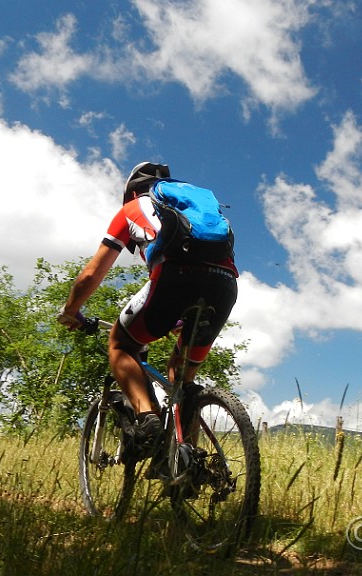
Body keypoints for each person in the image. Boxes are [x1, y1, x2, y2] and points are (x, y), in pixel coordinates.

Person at [57, 161, 238, 455]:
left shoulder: (132, 209)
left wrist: (71, 309)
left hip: (174, 276)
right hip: (225, 284)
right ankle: (187, 461)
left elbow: (93, 273)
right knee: (181, 377)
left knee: (120, 344)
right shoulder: (193, 207)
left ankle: (147, 419)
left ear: (131, 191)